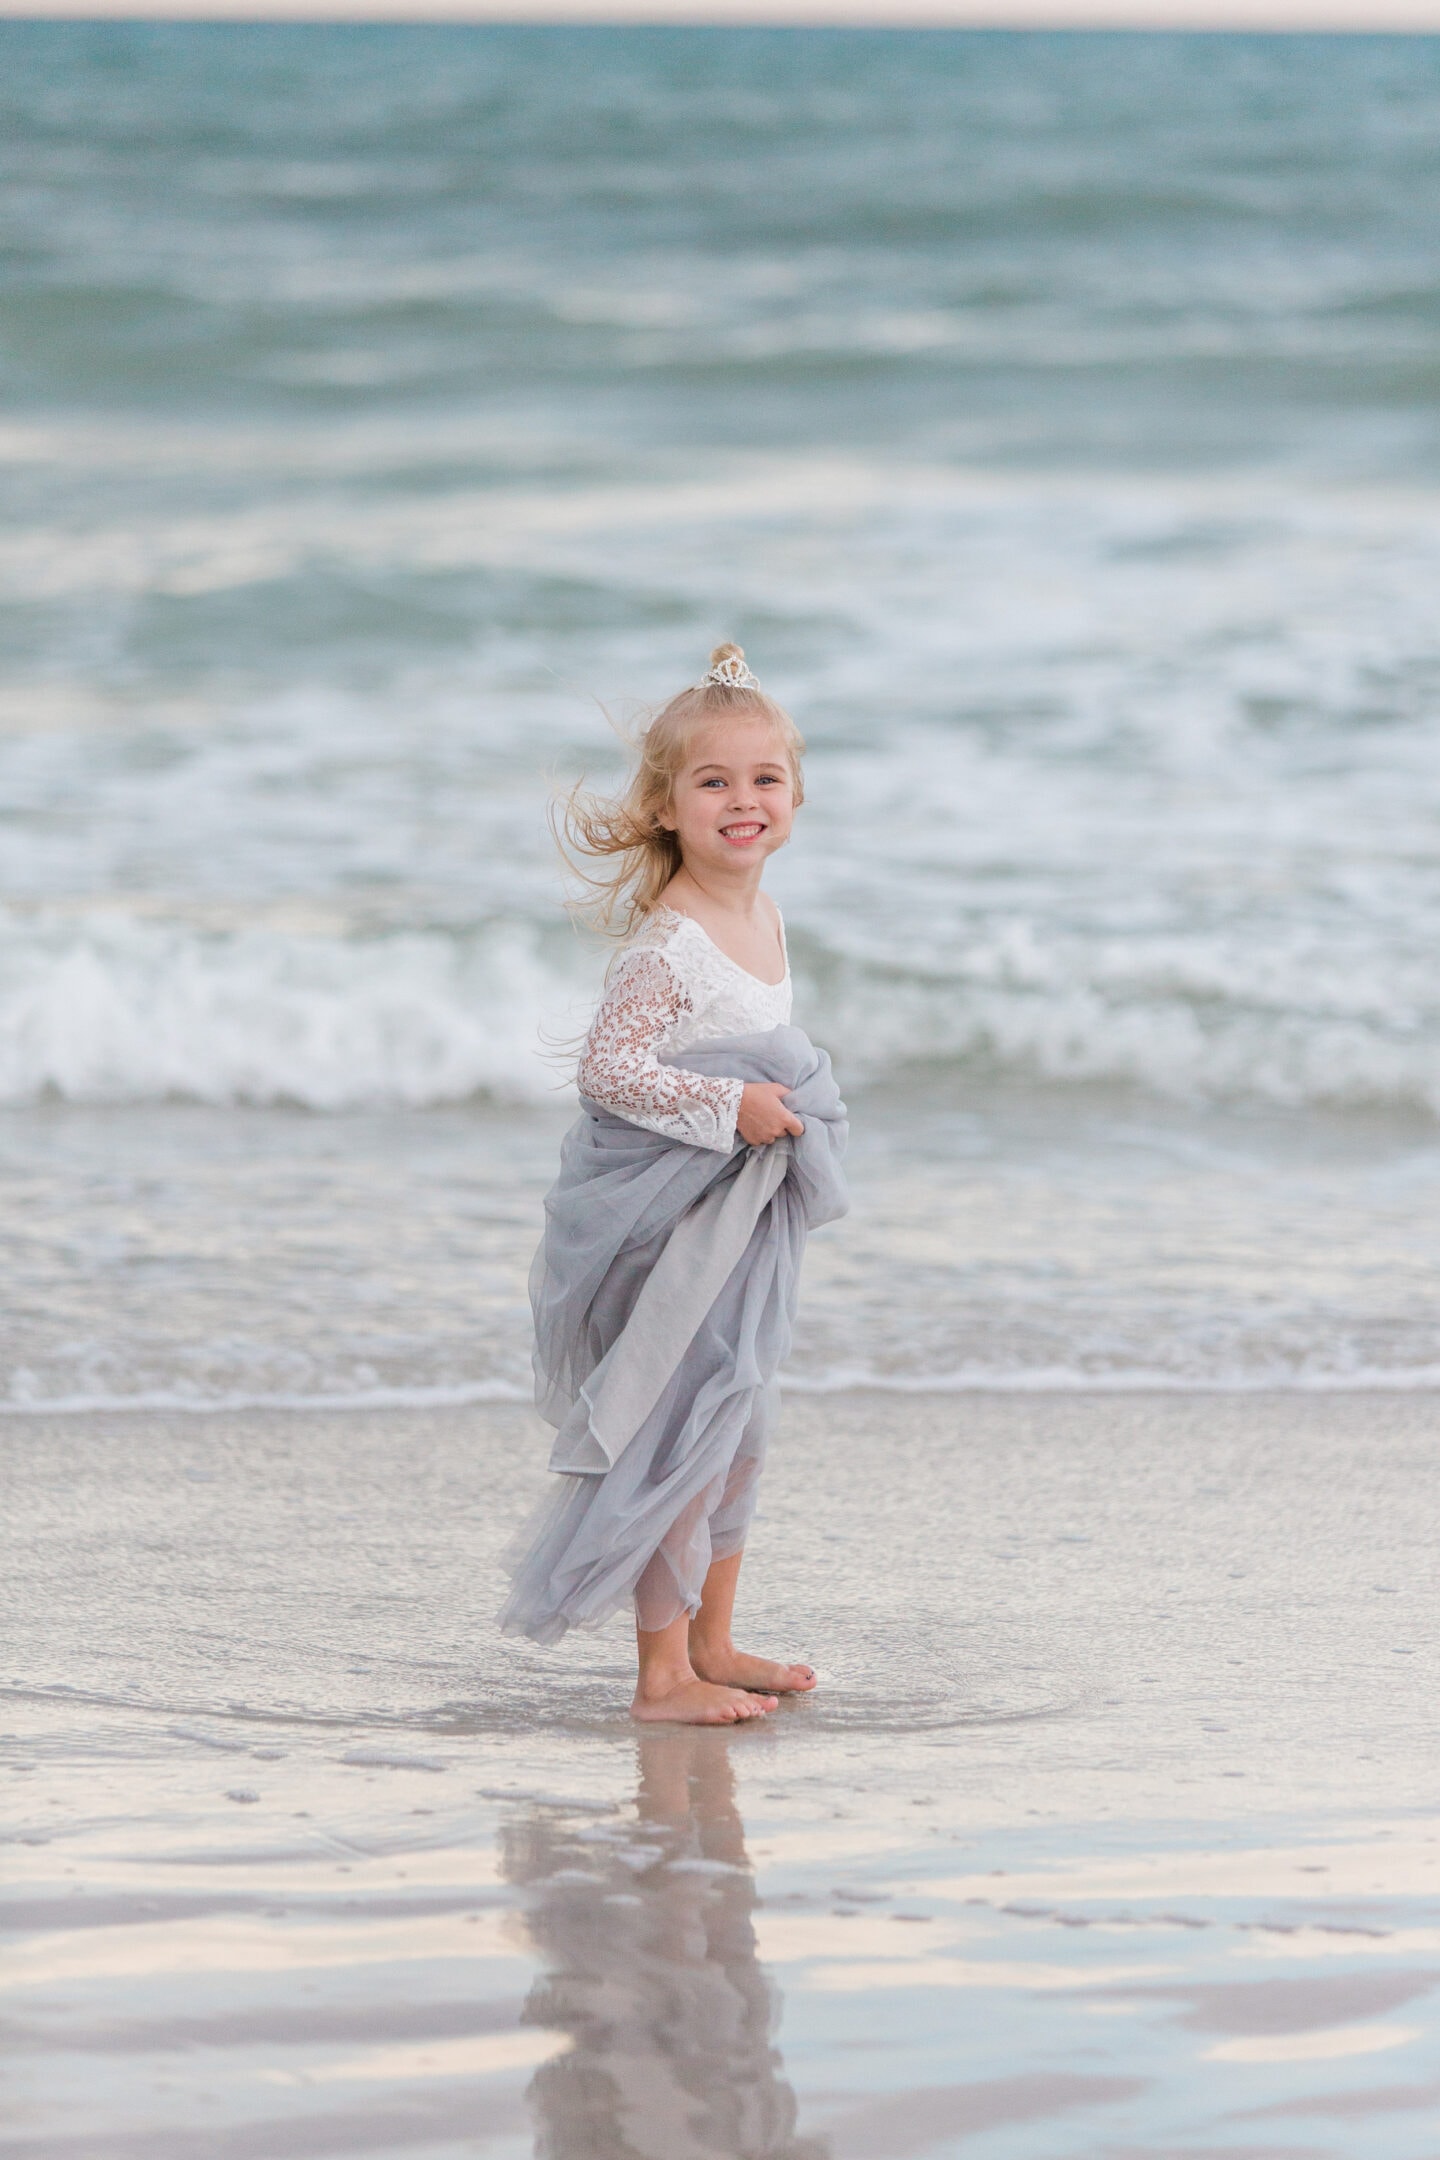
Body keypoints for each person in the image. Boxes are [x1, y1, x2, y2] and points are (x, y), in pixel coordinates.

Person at [499, 644, 849, 1724]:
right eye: (714, 782)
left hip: (745, 1217)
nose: (744, 802)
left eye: (765, 780)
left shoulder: (766, 916)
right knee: (678, 1432)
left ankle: (716, 1639)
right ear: (662, 807)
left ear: (795, 795)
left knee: (740, 1425)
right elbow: (608, 1072)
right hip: (671, 1222)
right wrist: (730, 1109)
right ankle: (660, 1676)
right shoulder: (672, 943)